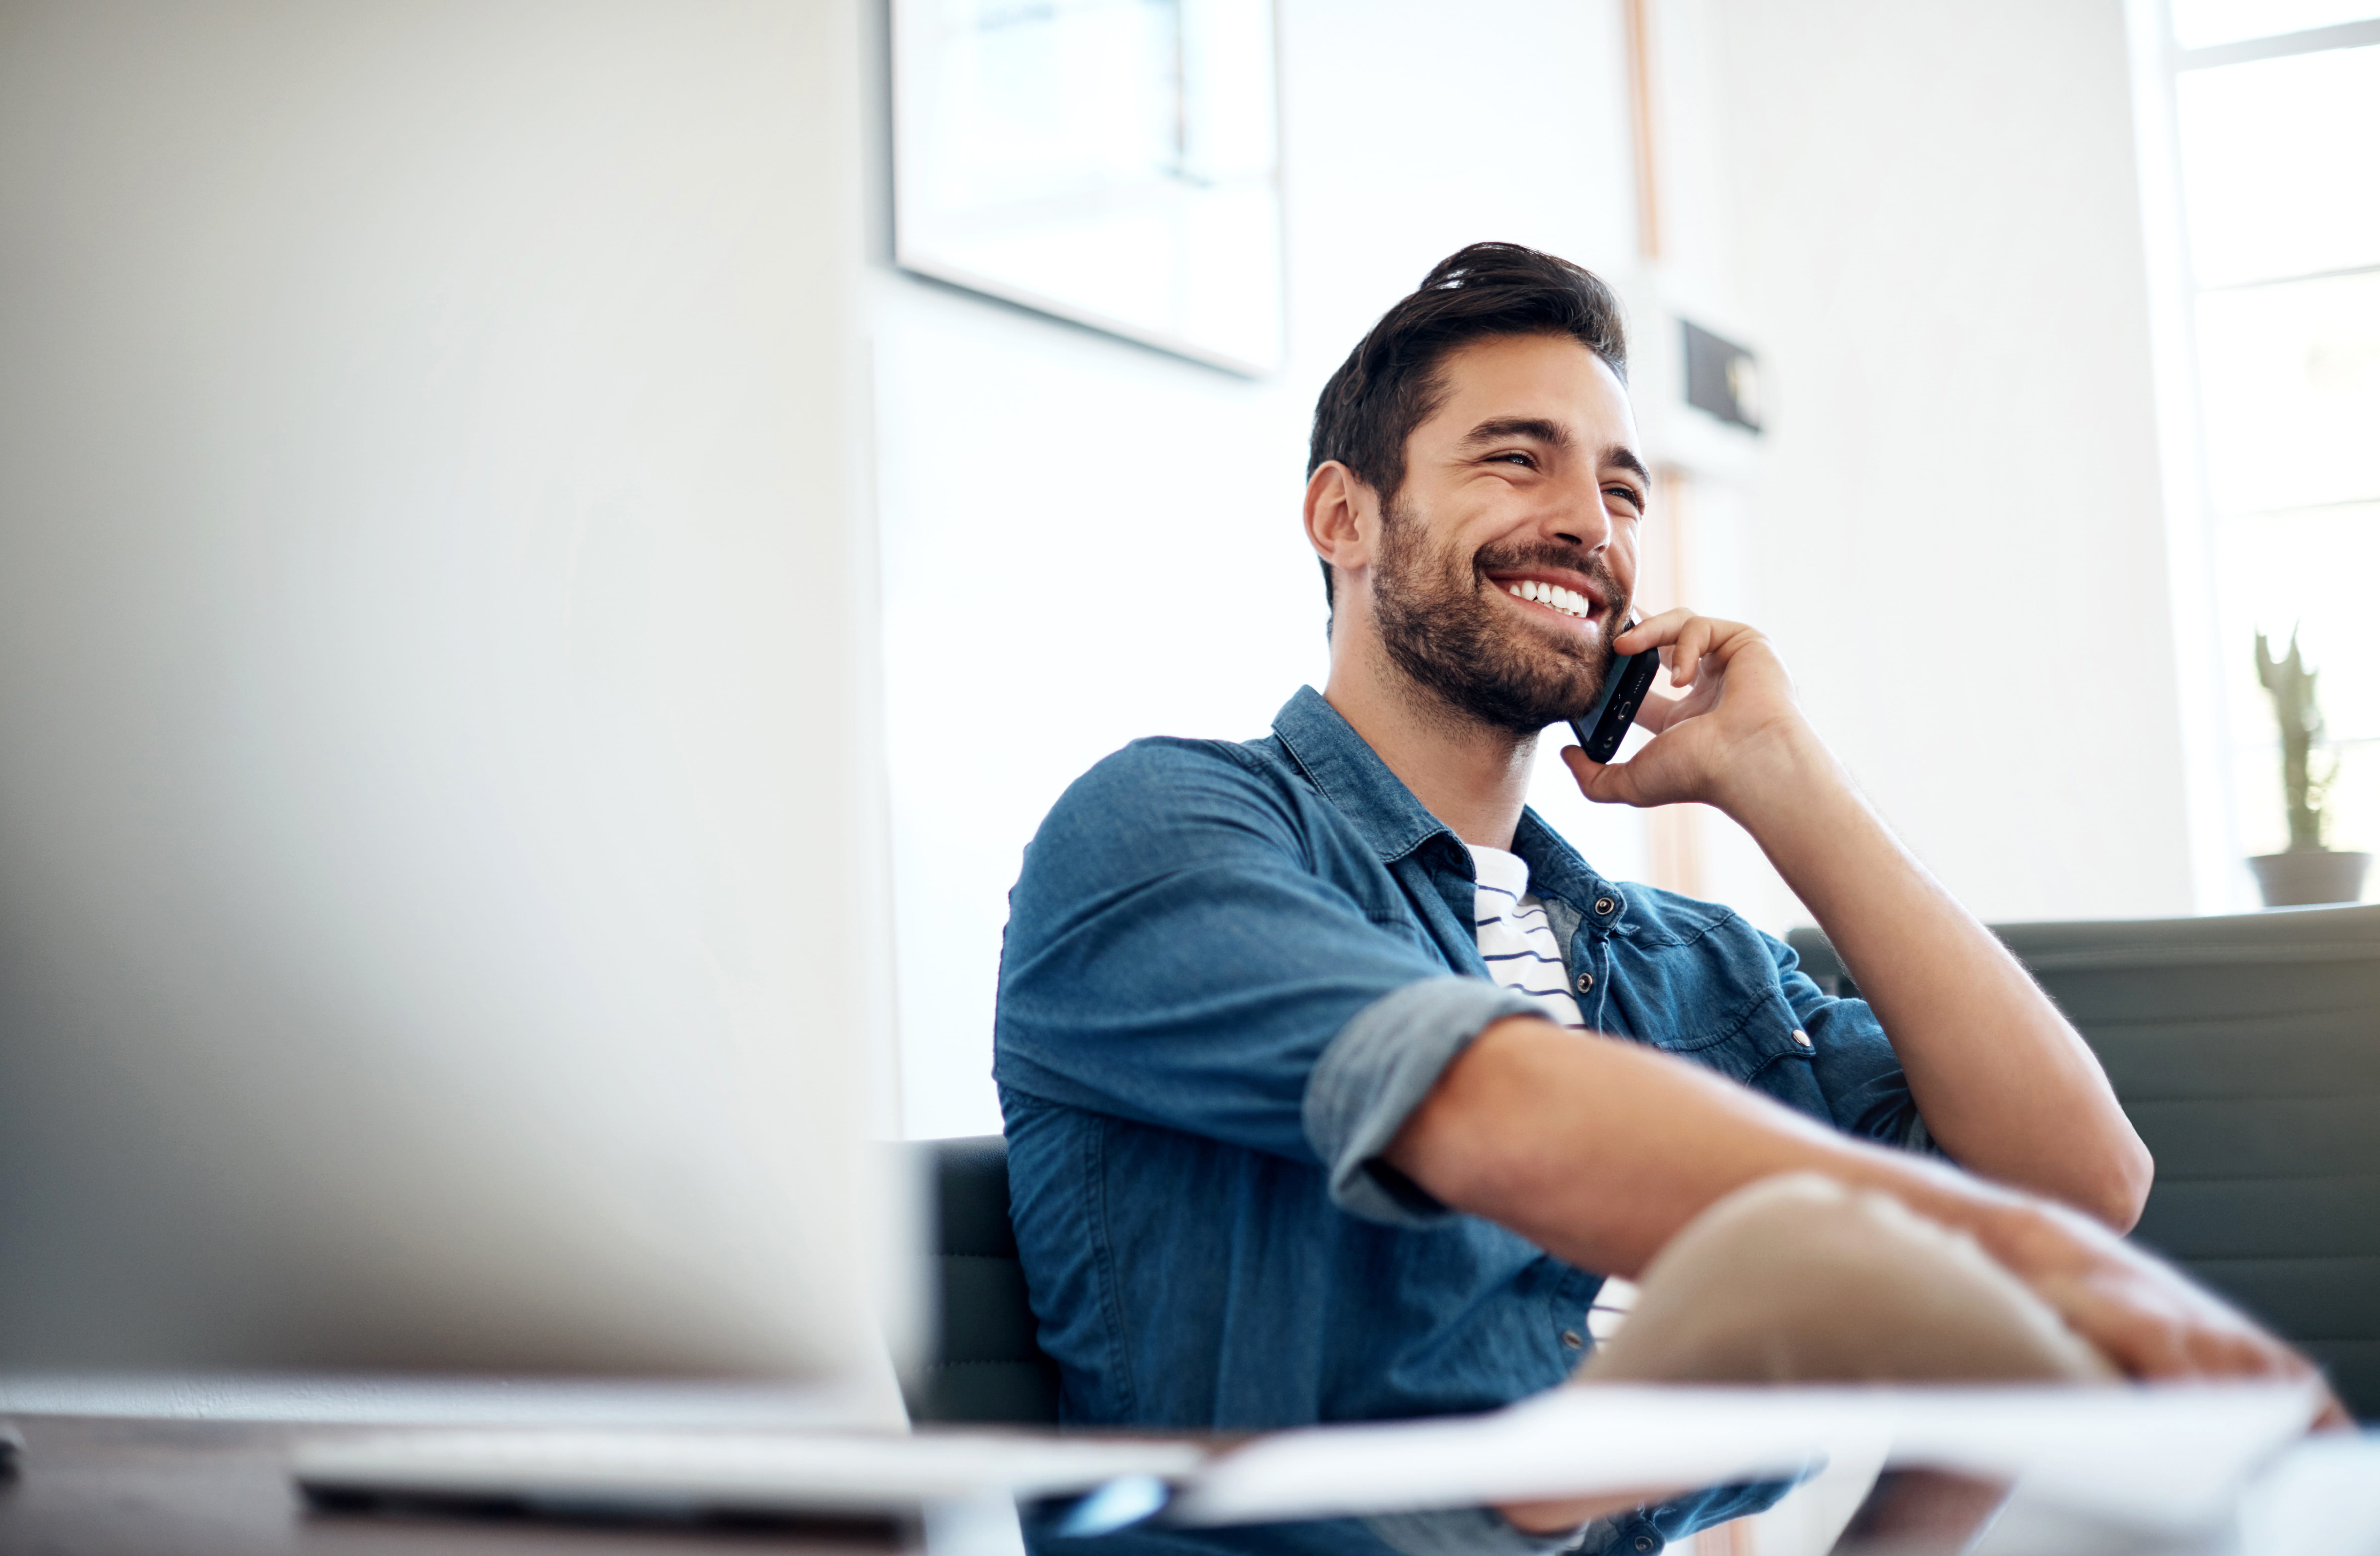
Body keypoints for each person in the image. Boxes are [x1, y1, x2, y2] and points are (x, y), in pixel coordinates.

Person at [993, 243, 2338, 1555]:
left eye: (1624, 488)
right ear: (1344, 516)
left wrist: (1788, 777)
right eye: (1517, 457)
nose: (1591, 520)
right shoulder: (1164, 831)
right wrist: (1964, 1256)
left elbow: (2078, 1180)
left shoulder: (1694, 970)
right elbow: (1497, 1114)